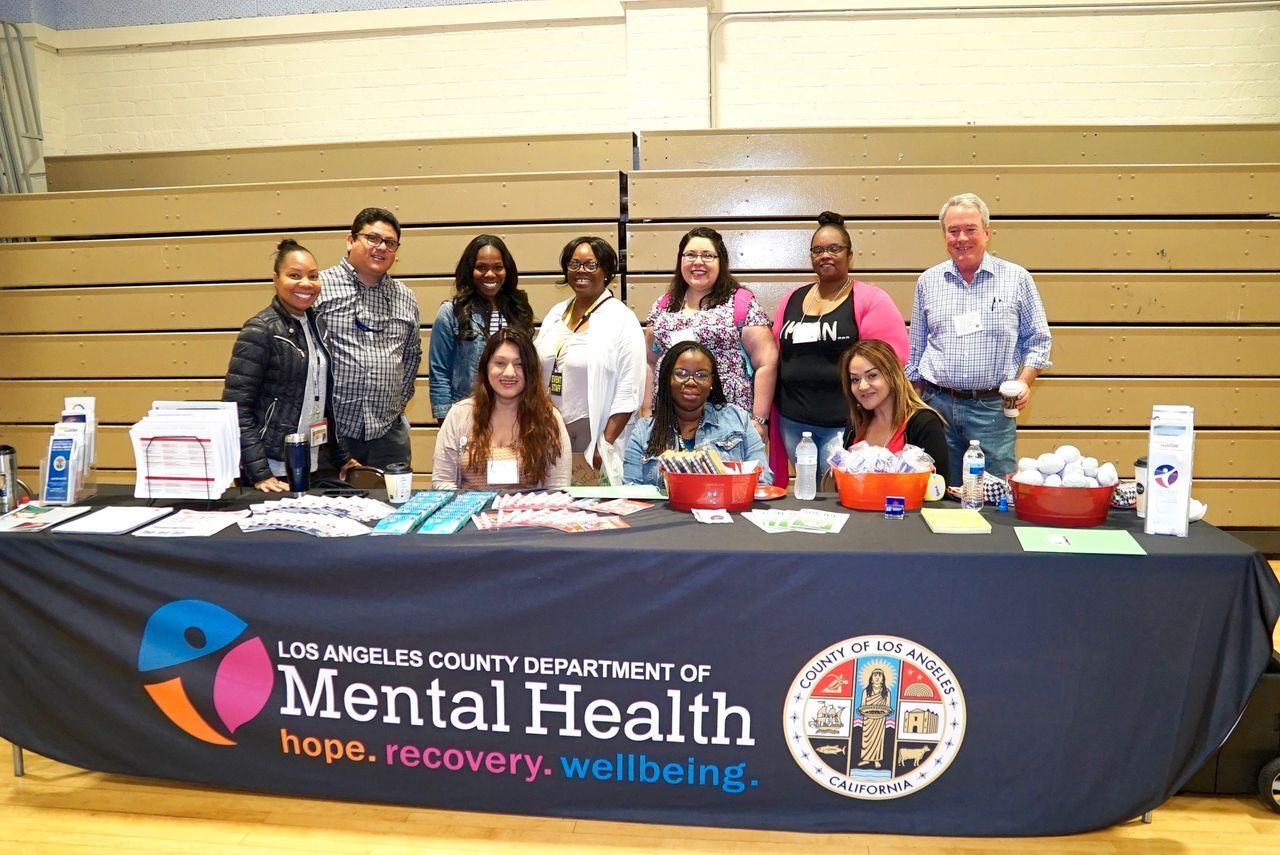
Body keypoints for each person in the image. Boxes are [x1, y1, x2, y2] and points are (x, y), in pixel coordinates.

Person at [906, 193, 1052, 485]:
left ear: (987, 232)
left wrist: (1023, 383)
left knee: (994, 495)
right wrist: (912, 408)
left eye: (970, 229)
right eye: (953, 230)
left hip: (993, 411)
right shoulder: (928, 282)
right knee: (937, 492)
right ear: (944, 236)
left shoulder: (1016, 278)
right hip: (937, 408)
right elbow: (916, 353)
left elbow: (1039, 341)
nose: (962, 238)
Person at [770, 211, 909, 486]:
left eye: (834, 248)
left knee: (838, 494)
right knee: (808, 492)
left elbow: (890, 361)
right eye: (818, 250)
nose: (826, 255)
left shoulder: (870, 300)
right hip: (793, 420)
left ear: (850, 255)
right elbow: (776, 354)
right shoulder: (792, 299)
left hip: (843, 424)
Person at [222, 239, 360, 492]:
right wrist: (259, 474)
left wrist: (342, 456)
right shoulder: (260, 329)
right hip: (271, 471)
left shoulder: (317, 323)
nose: (306, 284)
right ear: (275, 279)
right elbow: (236, 408)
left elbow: (322, 399)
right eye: (294, 275)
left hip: (309, 463)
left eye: (313, 276)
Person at [643, 227, 777, 443]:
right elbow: (650, 361)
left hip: (728, 421)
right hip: (670, 418)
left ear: (720, 261)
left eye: (707, 255)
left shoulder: (741, 304)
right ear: (680, 261)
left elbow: (767, 362)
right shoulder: (663, 306)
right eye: (690, 255)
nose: (698, 262)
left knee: (724, 476)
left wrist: (759, 420)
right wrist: (647, 410)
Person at [315, 207, 421, 468]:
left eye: (390, 243)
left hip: (388, 436)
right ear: (350, 241)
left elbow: (410, 357)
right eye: (373, 238)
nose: (381, 247)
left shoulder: (405, 297)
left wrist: (394, 406)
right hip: (332, 436)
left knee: (396, 507)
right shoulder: (318, 288)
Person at [534, 236, 645, 476]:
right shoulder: (556, 313)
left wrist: (603, 443)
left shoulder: (622, 320)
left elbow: (629, 391)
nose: (580, 271)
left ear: (606, 271)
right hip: (551, 431)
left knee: (592, 506)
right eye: (574, 264)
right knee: (553, 505)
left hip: (594, 435)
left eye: (590, 265)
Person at [431, 328, 571, 491]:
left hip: (526, 515)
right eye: (500, 363)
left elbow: (558, 489)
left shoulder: (549, 419)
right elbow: (442, 482)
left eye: (519, 364)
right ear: (486, 367)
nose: (509, 373)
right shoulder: (459, 415)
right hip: (470, 514)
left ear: (530, 371)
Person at [624, 341, 772, 488]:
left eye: (701, 375)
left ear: (712, 381)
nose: (691, 382)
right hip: (664, 511)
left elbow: (763, 479)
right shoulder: (644, 431)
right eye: (681, 374)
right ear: (667, 378)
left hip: (725, 509)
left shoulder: (738, 419)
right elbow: (630, 490)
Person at [429, 235, 533, 421]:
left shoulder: (519, 310)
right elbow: (439, 372)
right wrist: (445, 420)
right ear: (470, 270)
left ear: (507, 270)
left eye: (497, 267)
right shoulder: (450, 312)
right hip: (467, 415)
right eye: (481, 268)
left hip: (515, 415)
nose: (490, 274)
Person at [838, 339, 950, 484]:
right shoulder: (857, 421)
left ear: (892, 375)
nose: (862, 386)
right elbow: (841, 483)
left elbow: (938, 491)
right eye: (855, 380)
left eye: (872, 376)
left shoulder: (924, 423)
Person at [856, 668, 893, 769]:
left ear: (883, 679)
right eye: (875, 675)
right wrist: (863, 711)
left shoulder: (886, 692)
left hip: (880, 720)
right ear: (871, 679)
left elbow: (888, 707)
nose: (877, 678)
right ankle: (866, 759)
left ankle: (877, 760)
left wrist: (887, 712)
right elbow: (862, 706)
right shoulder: (866, 691)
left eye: (879, 676)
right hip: (868, 719)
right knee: (866, 739)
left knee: (878, 740)